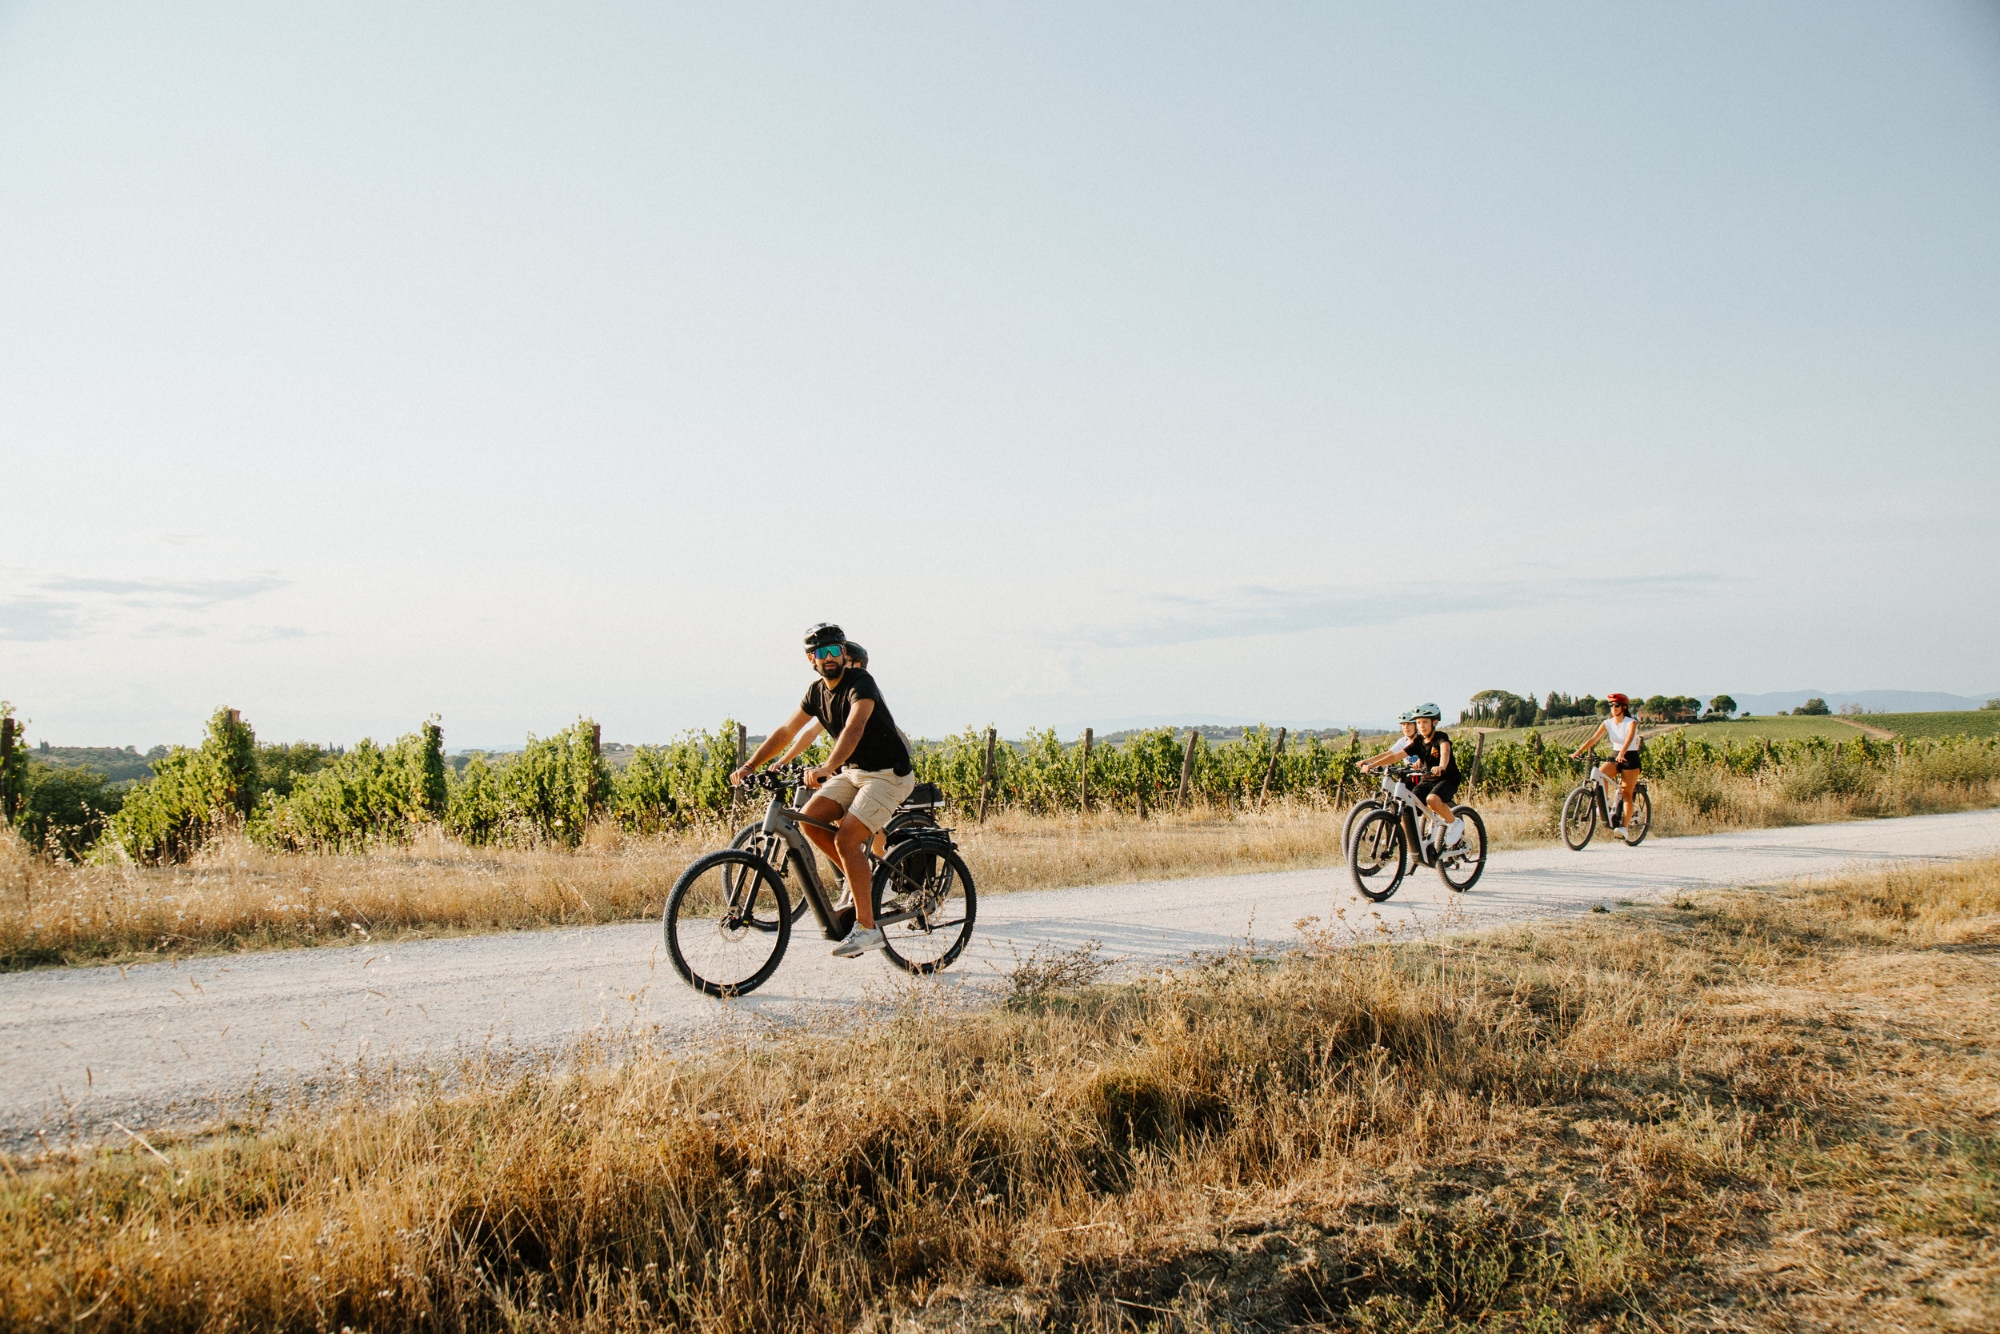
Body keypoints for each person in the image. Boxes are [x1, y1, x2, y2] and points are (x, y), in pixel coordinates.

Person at [731, 624, 915, 957]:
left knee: (846, 839)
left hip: (888, 775)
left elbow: (855, 727)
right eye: (821, 653)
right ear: (811, 659)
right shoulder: (816, 692)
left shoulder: (861, 683)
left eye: (834, 650)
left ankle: (868, 929)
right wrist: (751, 765)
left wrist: (827, 768)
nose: (829, 658)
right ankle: (864, 884)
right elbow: (788, 730)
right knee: (810, 821)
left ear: (843, 653)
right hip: (856, 773)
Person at [1360, 705, 1466, 847]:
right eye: (1419, 722)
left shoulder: (1441, 737)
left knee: (1432, 800)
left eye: (1425, 722)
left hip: (1447, 778)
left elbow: (1445, 752)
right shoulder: (1418, 742)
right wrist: (1371, 765)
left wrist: (1441, 766)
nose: (1421, 726)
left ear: (1434, 722)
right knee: (1407, 807)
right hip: (1427, 779)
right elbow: (1395, 756)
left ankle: (1455, 823)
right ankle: (1413, 846)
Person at [1571, 693, 1641, 837]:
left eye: (1617, 705)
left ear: (1624, 707)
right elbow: (1593, 738)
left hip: (1630, 757)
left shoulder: (1630, 722)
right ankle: (1607, 803)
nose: (1613, 708)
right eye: (1611, 705)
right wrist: (1579, 751)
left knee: (1626, 793)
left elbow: (1629, 739)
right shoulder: (1607, 723)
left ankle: (1624, 828)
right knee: (1601, 775)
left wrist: (1623, 752)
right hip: (1616, 755)